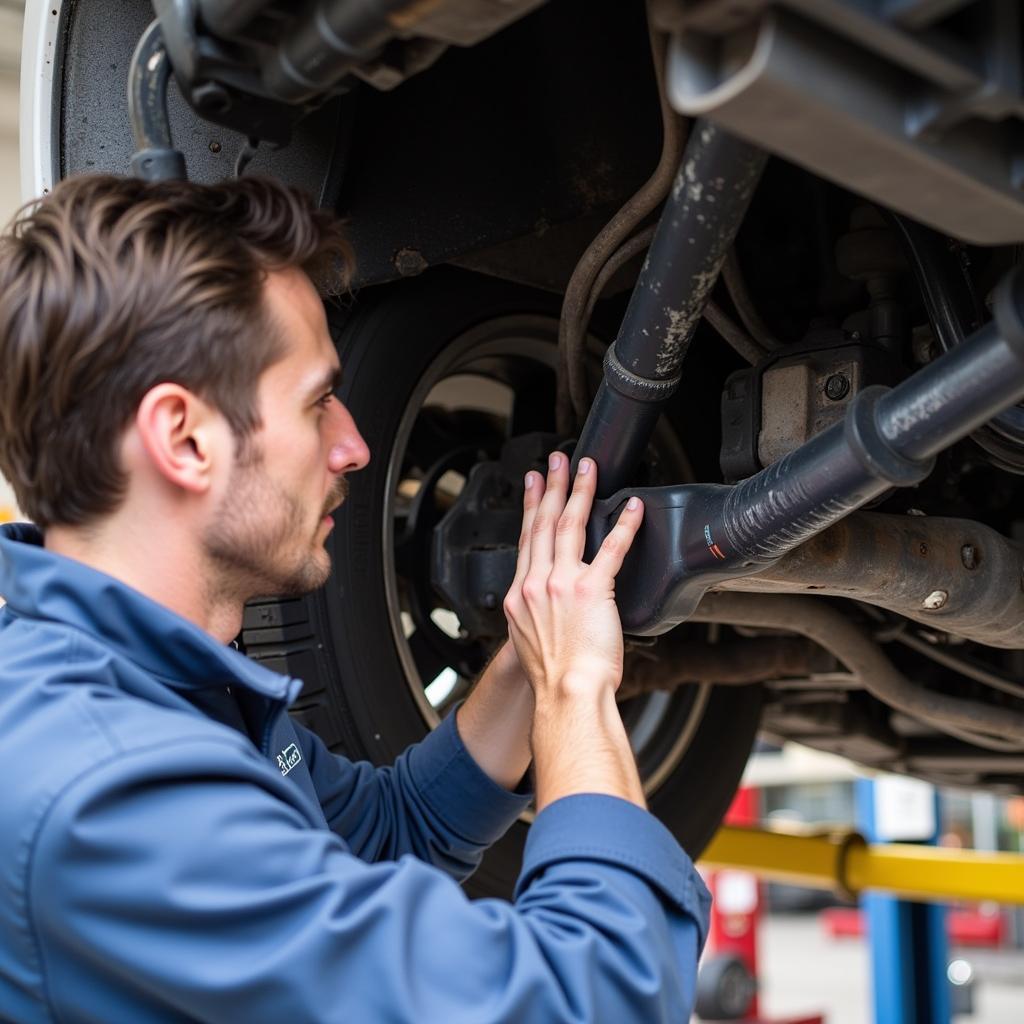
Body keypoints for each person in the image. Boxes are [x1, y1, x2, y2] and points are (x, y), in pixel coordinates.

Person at [0, 174, 709, 1023]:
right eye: (318, 402)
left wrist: (528, 654)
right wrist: (575, 690)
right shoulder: (112, 798)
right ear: (184, 438)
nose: (355, 447)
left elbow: (386, 835)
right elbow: (593, 1001)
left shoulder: (161, 691)